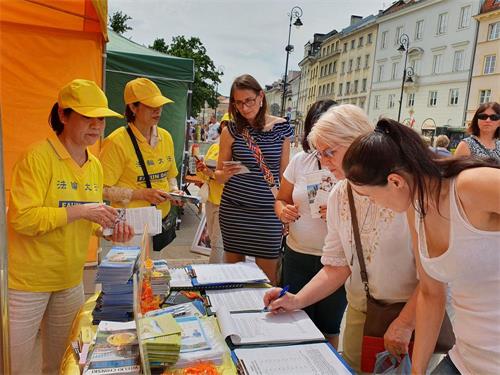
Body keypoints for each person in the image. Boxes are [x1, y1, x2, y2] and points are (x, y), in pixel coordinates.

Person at [264, 105, 420, 373]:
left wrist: (406, 322)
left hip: (412, 317)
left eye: (330, 152)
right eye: (320, 154)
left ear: (359, 141)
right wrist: (297, 300)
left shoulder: (405, 189)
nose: (324, 162)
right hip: (362, 311)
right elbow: (337, 266)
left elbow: (436, 278)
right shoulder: (339, 195)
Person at [342, 118, 500, 375]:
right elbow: (430, 293)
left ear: (395, 181)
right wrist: (417, 371)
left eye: (370, 196)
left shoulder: (470, 185)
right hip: (465, 358)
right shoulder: (416, 211)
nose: (374, 203)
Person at [7, 79, 134, 374]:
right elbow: (23, 218)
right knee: (12, 364)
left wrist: (107, 229)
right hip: (26, 284)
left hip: (70, 281)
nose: (96, 126)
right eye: (87, 117)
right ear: (63, 115)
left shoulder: (95, 165)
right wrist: (81, 211)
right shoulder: (37, 157)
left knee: (66, 361)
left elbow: (87, 221)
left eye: (100, 118)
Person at [274, 100, 347, 348]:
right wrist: (284, 211)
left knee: (328, 328)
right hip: (298, 255)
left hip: (336, 261)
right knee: (294, 323)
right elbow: (281, 199)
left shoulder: (348, 168)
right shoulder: (300, 161)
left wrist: (339, 214)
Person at [215, 74, 293, 285]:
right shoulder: (230, 130)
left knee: (267, 280)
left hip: (268, 212)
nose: (244, 108)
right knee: (233, 277)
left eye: (248, 100)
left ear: (261, 96)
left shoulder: (282, 128)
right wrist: (227, 173)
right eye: (238, 103)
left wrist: (288, 206)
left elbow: (285, 172)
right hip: (234, 210)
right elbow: (218, 175)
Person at [99, 78, 182, 250]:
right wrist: (141, 194)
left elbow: (171, 176)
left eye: (160, 105)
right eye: (151, 106)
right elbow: (102, 190)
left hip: (161, 223)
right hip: (130, 228)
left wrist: (175, 192)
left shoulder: (165, 137)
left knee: (155, 274)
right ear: (133, 107)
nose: (158, 110)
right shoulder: (116, 142)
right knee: (129, 275)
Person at [195, 113, 231, 263]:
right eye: (224, 125)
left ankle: (213, 278)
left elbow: (233, 180)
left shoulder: (238, 150)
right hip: (211, 200)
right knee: (214, 242)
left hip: (226, 203)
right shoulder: (214, 147)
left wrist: (212, 174)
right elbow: (204, 177)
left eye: (230, 126)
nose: (226, 129)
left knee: (217, 244)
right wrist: (201, 169)